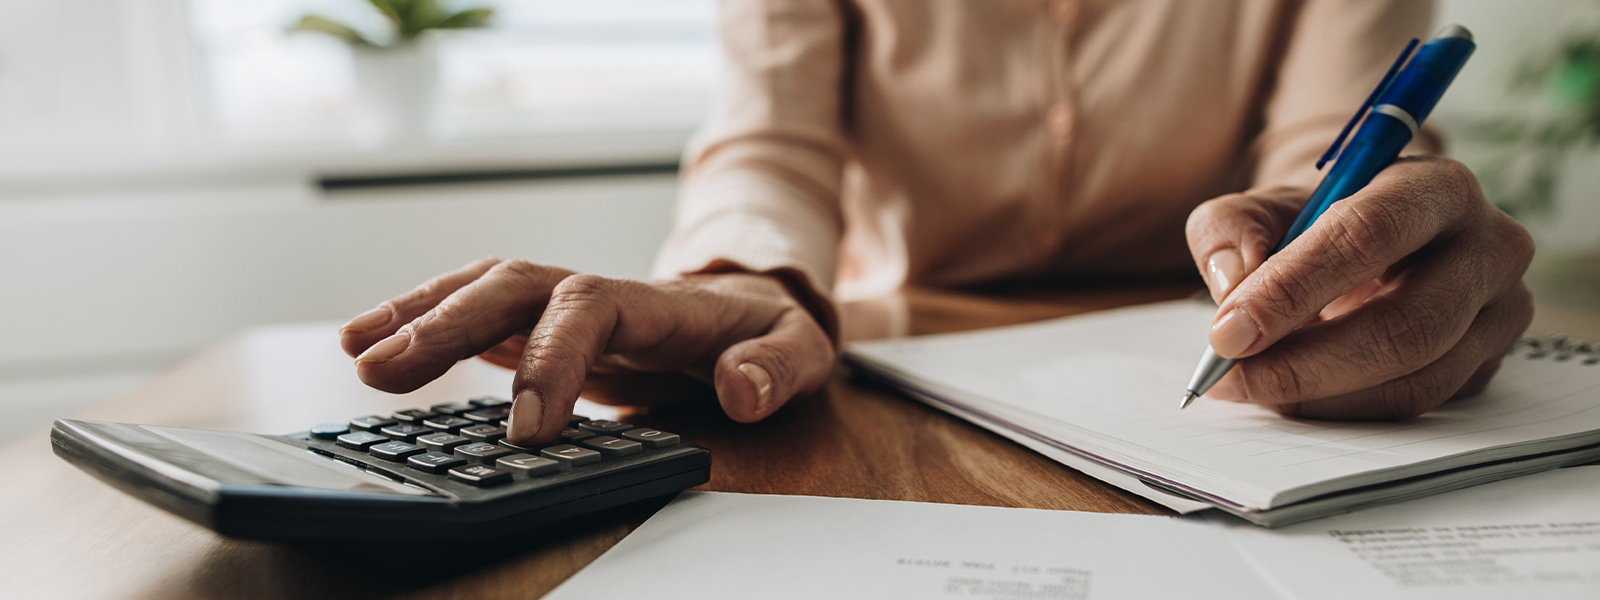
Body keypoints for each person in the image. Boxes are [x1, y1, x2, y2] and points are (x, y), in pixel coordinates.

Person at [339, 0, 1533, 446]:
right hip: (893, 370)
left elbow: (1332, 142)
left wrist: (1380, 235)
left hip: (1206, 347)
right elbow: (770, 140)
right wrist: (746, 275)